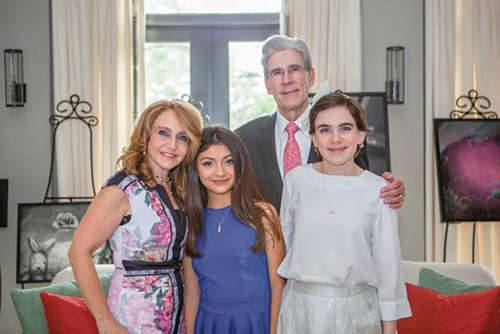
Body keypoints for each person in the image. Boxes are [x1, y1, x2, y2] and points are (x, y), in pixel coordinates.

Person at [277, 92, 411, 333]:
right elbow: (285, 244)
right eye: (325, 129)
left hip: (357, 314)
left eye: (345, 128)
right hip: (299, 311)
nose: (335, 139)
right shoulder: (295, 180)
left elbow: (388, 267)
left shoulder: (380, 190)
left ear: (361, 135)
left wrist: (389, 330)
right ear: (314, 139)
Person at [68, 99, 203, 333]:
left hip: (175, 321)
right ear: (145, 135)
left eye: (182, 137)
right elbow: (78, 251)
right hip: (132, 321)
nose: (172, 145)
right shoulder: (121, 190)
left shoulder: (179, 189)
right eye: (163, 133)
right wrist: (104, 320)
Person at [236, 35, 406, 212]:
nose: (286, 80)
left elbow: (361, 190)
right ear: (268, 85)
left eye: (294, 69)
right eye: (277, 73)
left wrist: (386, 190)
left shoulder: (344, 134)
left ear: (310, 77)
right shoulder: (244, 139)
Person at [182, 125, 286, 334]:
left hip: (258, 323)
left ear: (240, 165)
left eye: (229, 161)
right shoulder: (191, 221)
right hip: (209, 324)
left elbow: (278, 286)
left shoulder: (263, 214)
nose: (220, 172)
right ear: (195, 169)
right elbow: (192, 295)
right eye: (208, 163)